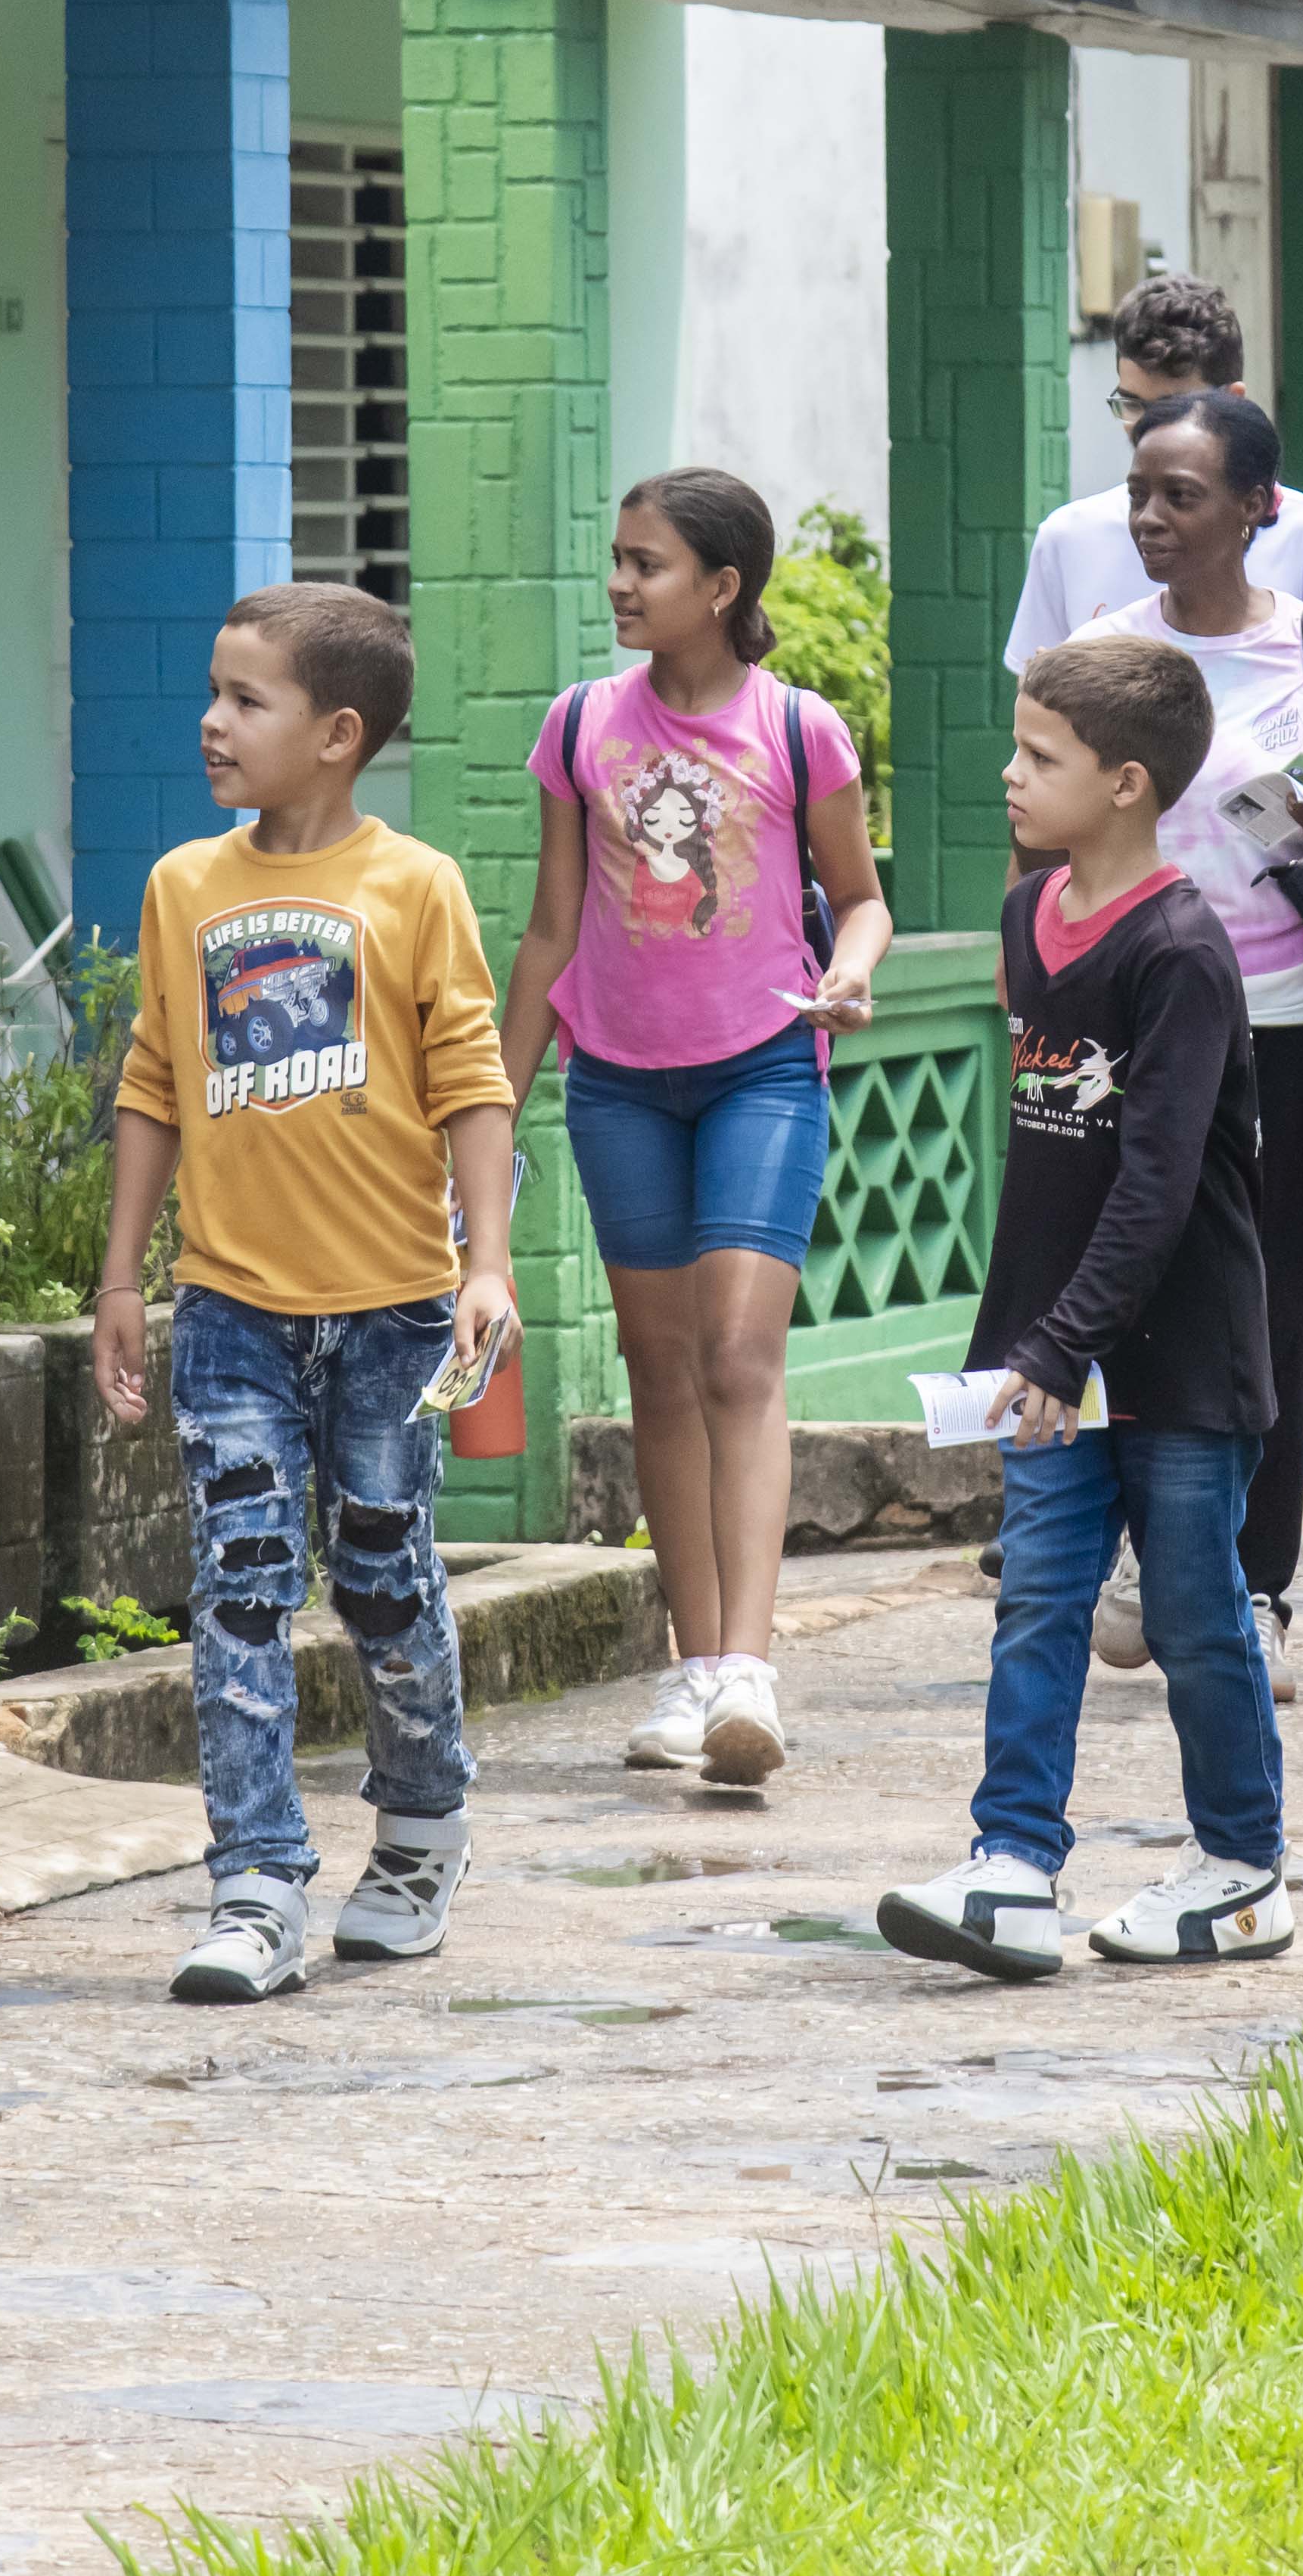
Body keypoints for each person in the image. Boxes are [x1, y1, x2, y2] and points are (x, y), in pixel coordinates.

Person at [90, 584, 518, 2008]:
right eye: (212, 692)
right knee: (244, 1582)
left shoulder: (414, 887)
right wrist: (121, 1277)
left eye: (246, 700)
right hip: (229, 1311)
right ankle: (257, 1880)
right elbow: (153, 1082)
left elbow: (472, 1080)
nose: (212, 722)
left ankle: (417, 1831)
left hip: (395, 1307)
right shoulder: (181, 888)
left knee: (386, 1577)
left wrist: (487, 1264)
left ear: (338, 735)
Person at [874, 637, 1293, 1983]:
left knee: (1189, 1610)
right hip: (1056, 1351)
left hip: (1176, 1352)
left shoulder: (1178, 951)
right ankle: (1011, 1865)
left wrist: (1064, 1340)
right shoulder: (1025, 917)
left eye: (1037, 756)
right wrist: (1027, 1339)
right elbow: (1052, 1156)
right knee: (1038, 1595)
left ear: (1124, 783)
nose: (1008, 772)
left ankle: (1239, 1868)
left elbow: (1159, 1178)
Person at [507, 466, 892, 1792]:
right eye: (616, 559)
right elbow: (552, 929)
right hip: (615, 1078)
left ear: (721, 589)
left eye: (647, 564)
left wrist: (851, 969)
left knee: (738, 1357)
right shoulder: (577, 728)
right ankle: (687, 1667)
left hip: (762, 1070)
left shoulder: (799, 729)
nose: (619, 583)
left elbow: (859, 899)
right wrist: (493, 1109)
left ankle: (747, 1671)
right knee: (657, 1369)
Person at [1079, 392, 1303, 1702]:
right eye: (1138, 493)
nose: (1152, 518)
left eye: (1181, 495)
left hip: (1279, 1017)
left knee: (1267, 1313)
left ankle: (1252, 1588)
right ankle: (1136, 1554)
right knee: (1122, 1284)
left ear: (1254, 509)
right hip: (1133, 1019)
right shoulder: (1106, 652)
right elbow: (1049, 817)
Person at [1001, 273, 1303, 664]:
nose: (1149, 429)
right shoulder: (1069, 537)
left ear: (1233, 400)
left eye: (1175, 408)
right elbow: (1037, 707)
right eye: (1132, 404)